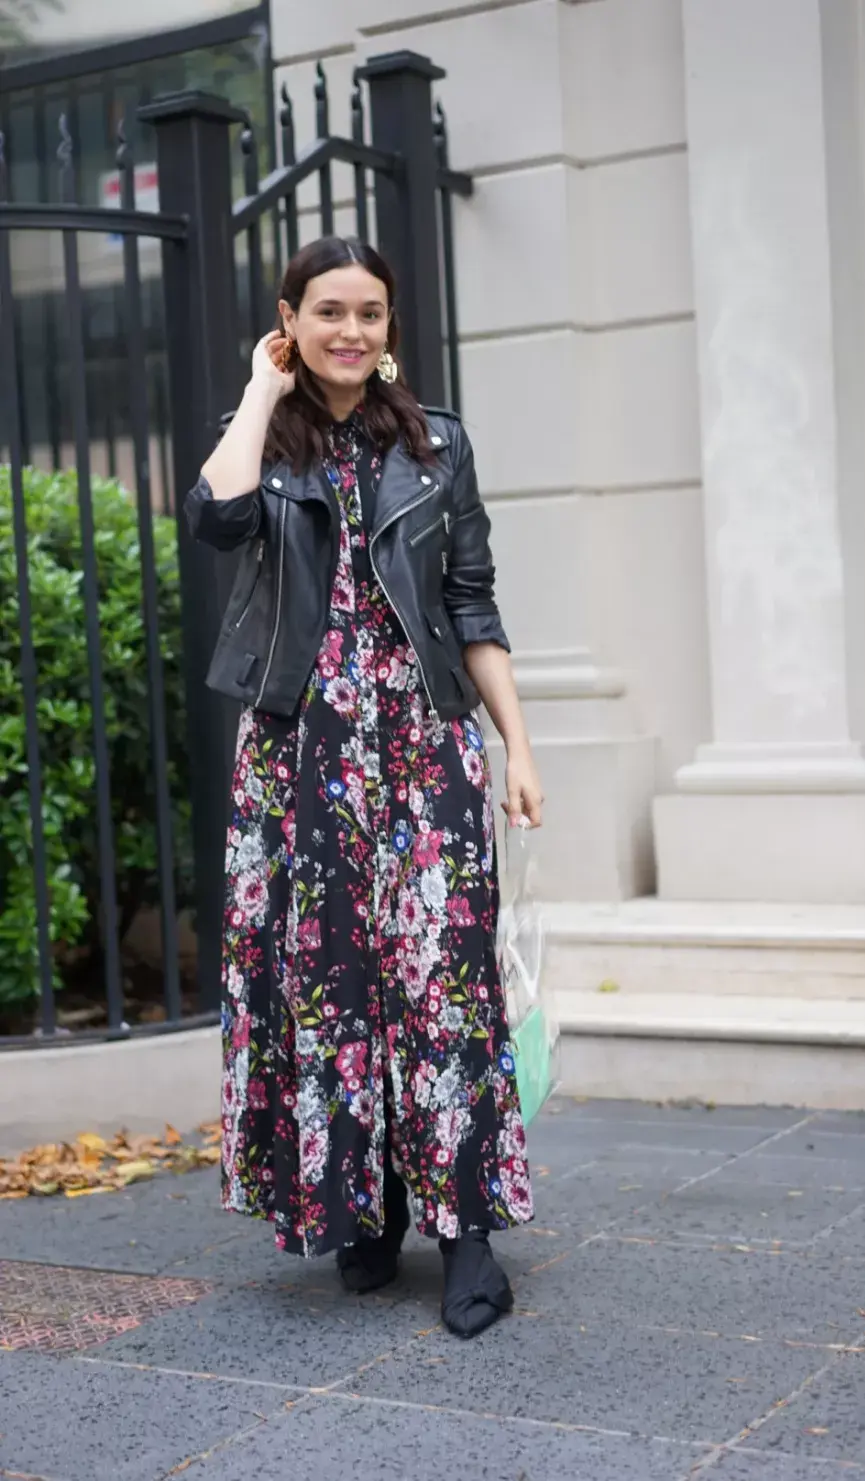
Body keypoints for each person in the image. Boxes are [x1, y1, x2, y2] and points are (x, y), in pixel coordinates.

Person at [186, 236, 543, 1339]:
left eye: (372, 312)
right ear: (290, 318)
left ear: (393, 327)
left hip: (423, 741)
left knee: (443, 980)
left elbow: (472, 602)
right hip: (301, 749)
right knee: (329, 979)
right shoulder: (267, 444)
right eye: (329, 311)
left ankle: (468, 1228)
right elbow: (216, 518)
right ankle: (368, 1201)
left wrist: (517, 747)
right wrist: (260, 385)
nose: (353, 331)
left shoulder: (439, 447)